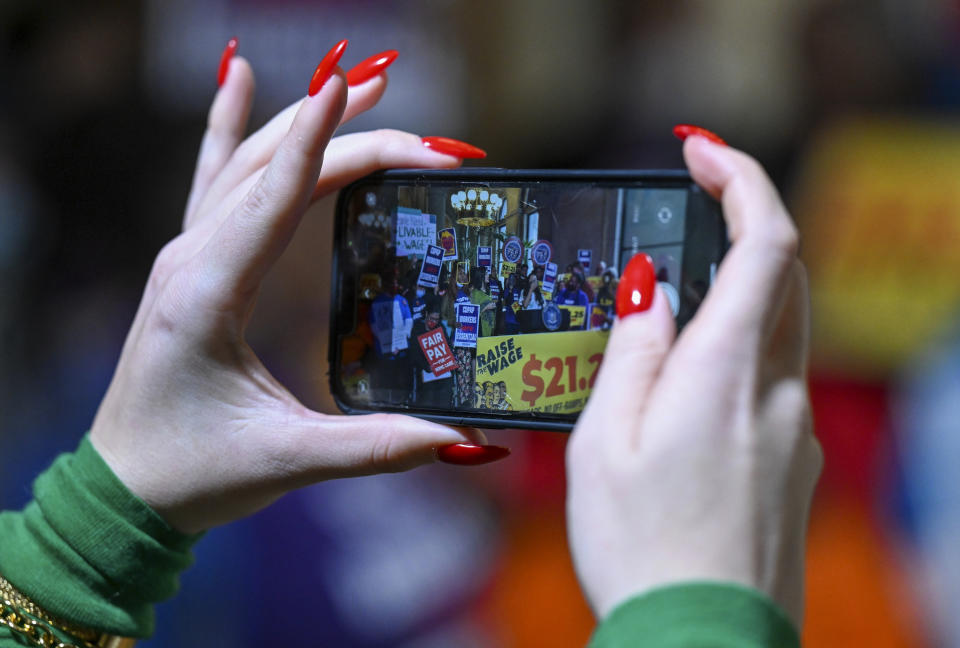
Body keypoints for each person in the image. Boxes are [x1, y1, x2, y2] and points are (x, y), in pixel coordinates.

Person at [0, 32, 818, 648]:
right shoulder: (223, 484)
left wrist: (90, 535)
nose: (324, 215)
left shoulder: (318, 394)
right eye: (301, 197)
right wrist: (696, 607)